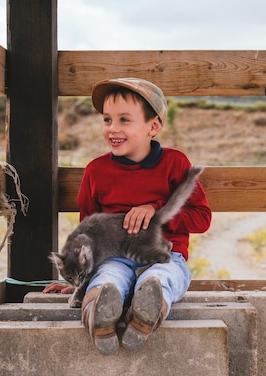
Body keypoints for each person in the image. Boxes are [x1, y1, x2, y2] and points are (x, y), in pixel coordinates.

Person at [43, 78, 212, 355]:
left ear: (153, 126)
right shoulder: (96, 171)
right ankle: (98, 312)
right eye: (107, 120)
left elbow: (202, 218)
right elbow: (87, 234)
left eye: (124, 120)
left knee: (162, 278)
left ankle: (148, 312)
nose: (113, 129)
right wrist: (79, 279)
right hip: (113, 259)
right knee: (109, 278)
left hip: (165, 257)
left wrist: (155, 211)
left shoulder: (175, 163)